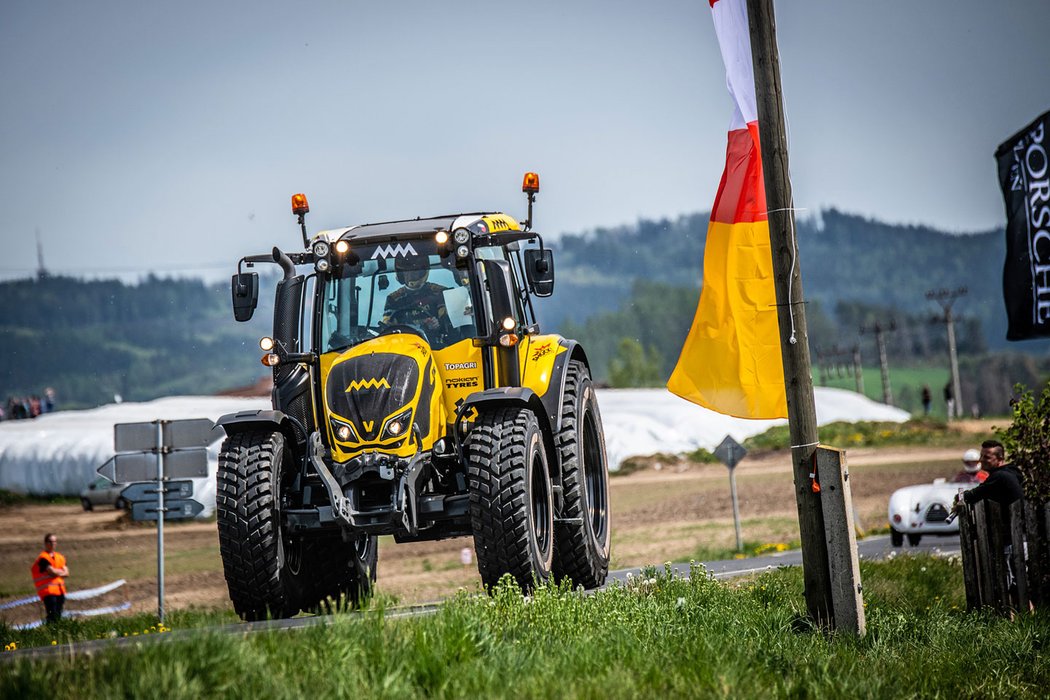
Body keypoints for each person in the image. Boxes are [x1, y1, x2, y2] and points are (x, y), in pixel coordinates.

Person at [382, 256, 452, 343]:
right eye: (405, 272)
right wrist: (421, 326)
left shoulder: (439, 292)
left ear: (423, 272)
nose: (410, 275)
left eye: (415, 272)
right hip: (405, 349)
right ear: (400, 275)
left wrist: (437, 324)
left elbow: (451, 323)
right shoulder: (393, 299)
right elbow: (387, 329)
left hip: (439, 347)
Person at [31, 533, 69, 623]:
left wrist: (56, 572)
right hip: (48, 591)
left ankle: (56, 631)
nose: (52, 544)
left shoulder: (60, 557)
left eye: (54, 542)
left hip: (60, 590)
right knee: (52, 615)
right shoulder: (43, 558)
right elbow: (51, 572)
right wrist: (60, 572)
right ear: (45, 543)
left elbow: (67, 573)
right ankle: (51, 631)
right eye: (50, 542)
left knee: (58, 614)